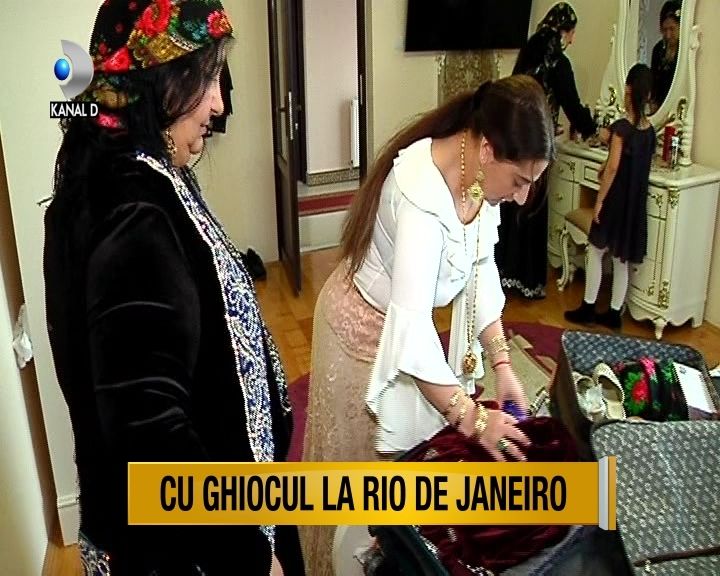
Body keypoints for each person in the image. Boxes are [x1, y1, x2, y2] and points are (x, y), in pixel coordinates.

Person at [43, 1, 303, 574]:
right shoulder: (132, 212)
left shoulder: (131, 170)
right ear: (159, 78)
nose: (218, 103)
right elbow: (150, 434)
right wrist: (250, 557)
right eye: (206, 79)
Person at [301, 75, 555, 576]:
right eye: (520, 181)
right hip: (359, 332)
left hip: (401, 331)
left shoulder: (477, 178)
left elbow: (479, 267)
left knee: (405, 478)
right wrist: (474, 418)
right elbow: (414, 330)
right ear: (488, 149)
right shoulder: (420, 196)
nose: (524, 197)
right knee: (358, 483)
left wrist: (503, 364)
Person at [495, 2, 597, 299]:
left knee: (512, 203)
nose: (572, 40)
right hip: (537, 146)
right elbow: (573, 106)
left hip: (514, 142)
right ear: (564, 31)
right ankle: (526, 280)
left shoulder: (528, 53)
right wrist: (592, 130)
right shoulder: (558, 63)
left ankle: (504, 273)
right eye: (572, 33)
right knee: (533, 209)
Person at [564, 64, 656, 330]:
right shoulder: (649, 132)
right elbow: (629, 163)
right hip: (634, 204)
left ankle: (588, 307)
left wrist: (600, 201)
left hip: (615, 201)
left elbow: (614, 168)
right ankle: (614, 313)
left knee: (595, 250)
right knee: (621, 259)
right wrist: (607, 163)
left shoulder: (622, 129)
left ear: (628, 90)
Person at [650, 0, 681, 112]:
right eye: (664, 30)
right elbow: (653, 81)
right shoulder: (658, 50)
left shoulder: (685, 51)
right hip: (659, 108)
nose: (668, 35)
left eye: (672, 29)